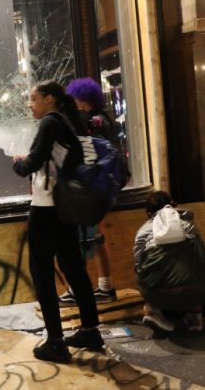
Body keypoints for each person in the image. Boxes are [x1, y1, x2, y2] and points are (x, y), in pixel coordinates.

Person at [13, 80, 102, 363]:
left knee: (41, 272)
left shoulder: (50, 123)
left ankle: (55, 341)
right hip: (66, 207)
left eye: (34, 98)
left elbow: (33, 162)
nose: (30, 104)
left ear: (49, 99)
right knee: (74, 268)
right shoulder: (71, 121)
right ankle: (90, 330)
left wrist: (18, 162)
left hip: (46, 207)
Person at [57, 77, 126, 305]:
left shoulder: (92, 122)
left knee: (85, 238)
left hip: (91, 187)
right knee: (95, 236)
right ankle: (105, 286)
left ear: (83, 100)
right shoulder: (103, 120)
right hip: (102, 186)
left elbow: (88, 154)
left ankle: (80, 289)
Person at [134, 191, 205, 333]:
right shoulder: (190, 226)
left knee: (139, 271)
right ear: (173, 204)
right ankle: (195, 314)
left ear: (148, 213)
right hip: (193, 293)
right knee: (200, 264)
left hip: (157, 295)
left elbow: (139, 266)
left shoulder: (143, 231)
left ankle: (153, 311)